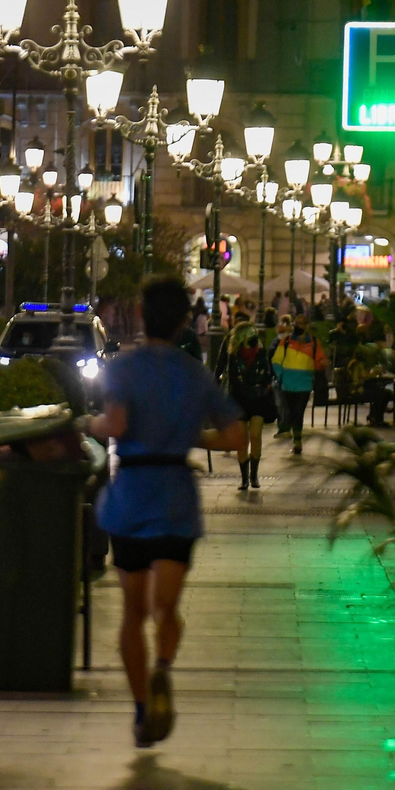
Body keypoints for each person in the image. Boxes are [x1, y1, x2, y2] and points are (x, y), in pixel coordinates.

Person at [86, 276, 246, 748]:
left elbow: (116, 424)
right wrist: (191, 436)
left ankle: (141, 710)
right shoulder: (195, 374)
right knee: (167, 608)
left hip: (132, 496)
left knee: (133, 612)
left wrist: (90, 424)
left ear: (140, 315)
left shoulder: (123, 368)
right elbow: (236, 438)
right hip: (176, 498)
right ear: (183, 323)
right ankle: (163, 666)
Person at [219, 320, 279, 491]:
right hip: (239, 400)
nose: (254, 335)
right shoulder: (234, 354)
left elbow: (268, 374)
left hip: (258, 399)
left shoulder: (261, 352)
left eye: (255, 332)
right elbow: (232, 377)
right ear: (242, 336)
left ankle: (254, 475)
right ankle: (244, 478)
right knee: (242, 440)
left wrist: (259, 383)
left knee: (255, 434)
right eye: (251, 332)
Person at [270, 314, 326, 455]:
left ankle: (297, 440)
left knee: (298, 412)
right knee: (291, 411)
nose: (299, 326)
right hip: (288, 384)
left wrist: (322, 363)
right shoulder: (286, 341)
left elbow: (319, 361)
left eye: (302, 323)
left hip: (304, 384)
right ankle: (296, 438)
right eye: (297, 323)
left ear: (307, 325)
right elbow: (276, 360)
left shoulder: (314, 342)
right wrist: (281, 376)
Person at [271, 315, 294, 438]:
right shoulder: (293, 341)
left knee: (282, 403)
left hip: (281, 376)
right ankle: (287, 427)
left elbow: (271, 358)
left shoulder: (278, 342)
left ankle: (284, 428)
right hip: (290, 375)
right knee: (286, 403)